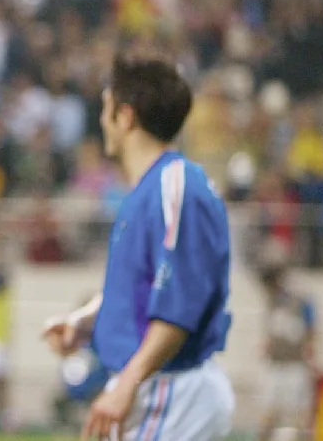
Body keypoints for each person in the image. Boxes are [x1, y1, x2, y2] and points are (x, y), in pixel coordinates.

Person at [42, 55, 234, 440]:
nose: (101, 120)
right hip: (156, 387)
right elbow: (142, 288)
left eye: (106, 108)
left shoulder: (175, 186)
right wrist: (86, 322)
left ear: (126, 117)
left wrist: (127, 383)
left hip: (169, 389)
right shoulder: (150, 189)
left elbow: (179, 306)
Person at [258, 265, 318, 441]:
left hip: (295, 364)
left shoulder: (300, 301)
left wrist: (310, 350)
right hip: (276, 363)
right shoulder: (272, 302)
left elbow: (310, 329)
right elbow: (271, 330)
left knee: (297, 414)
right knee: (269, 411)